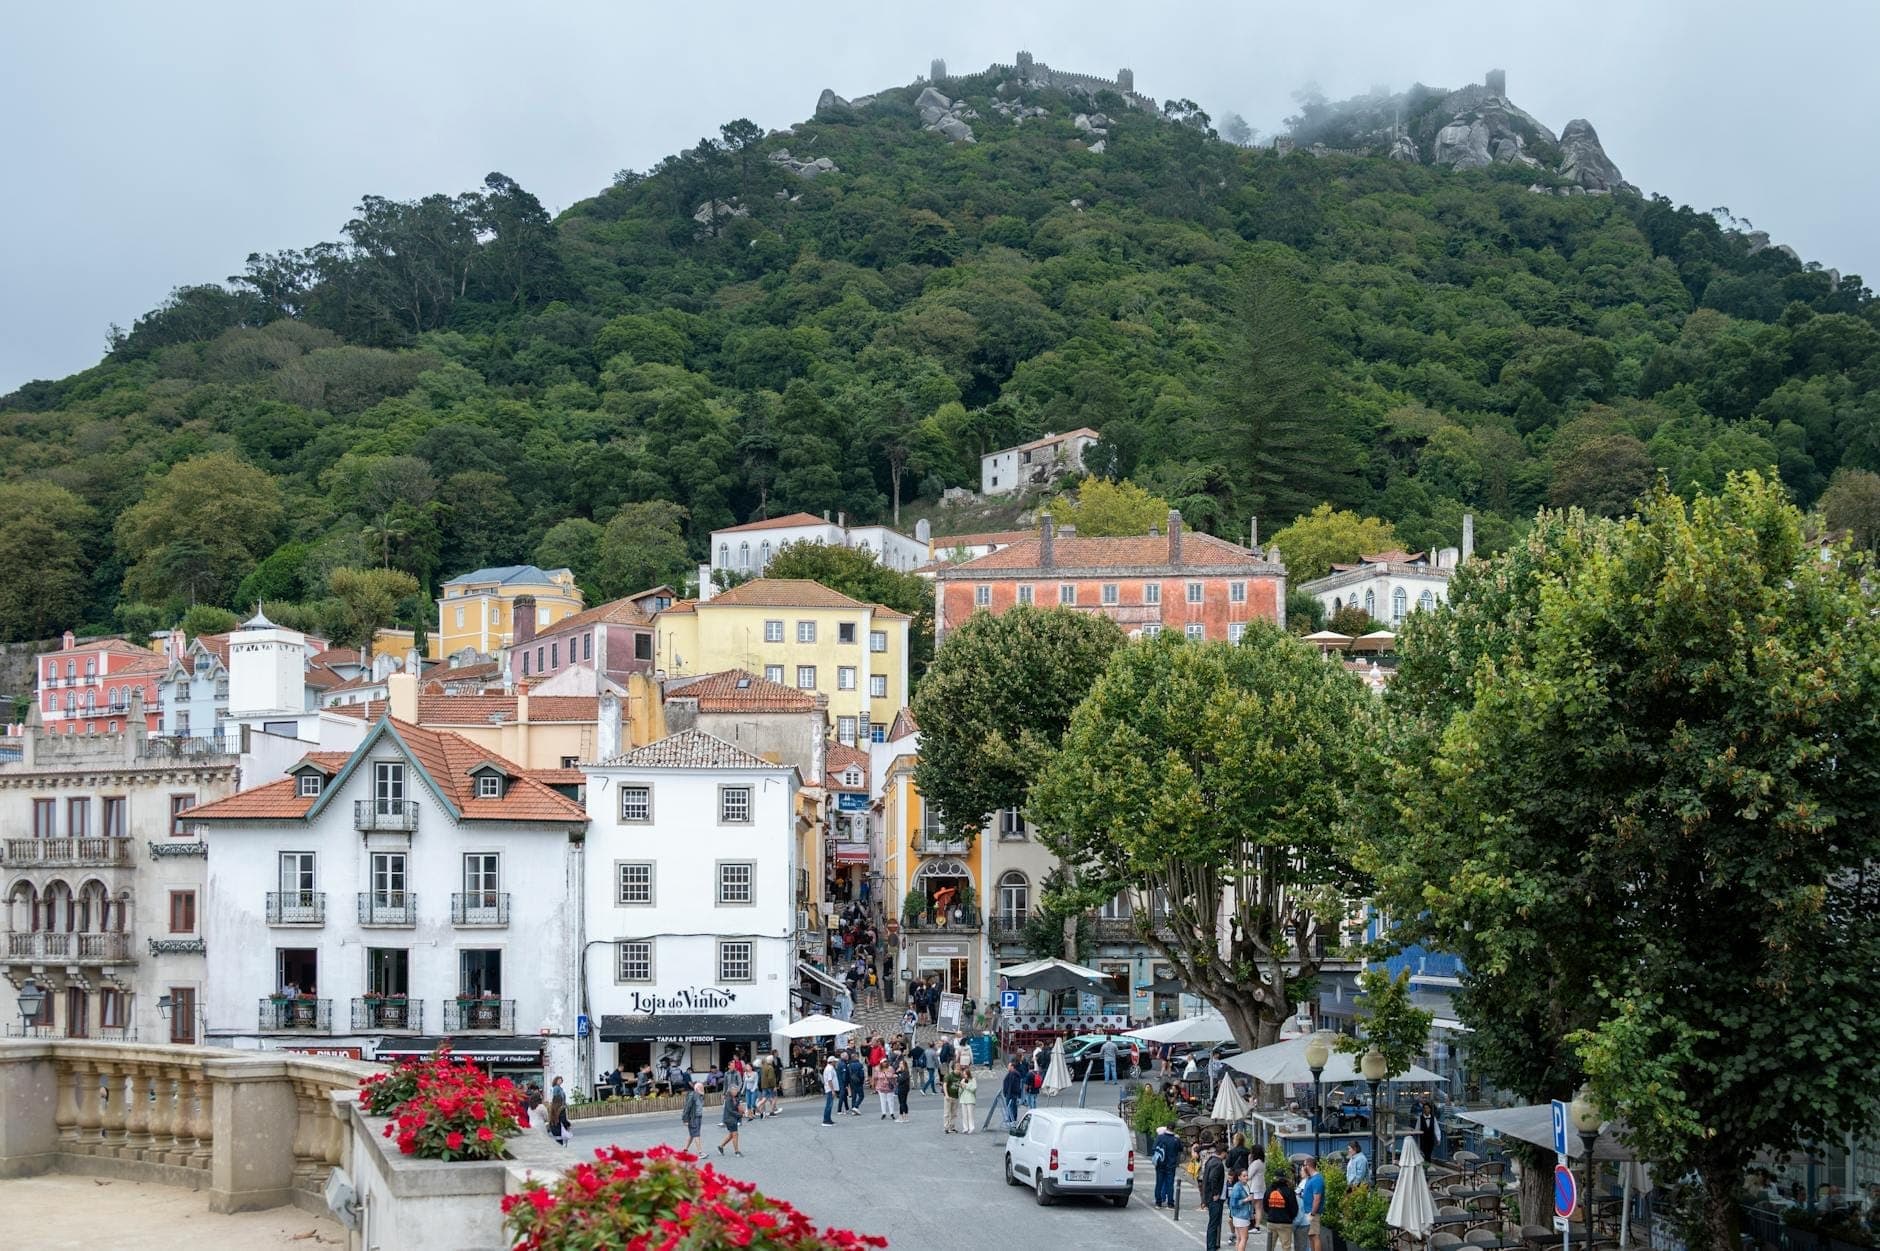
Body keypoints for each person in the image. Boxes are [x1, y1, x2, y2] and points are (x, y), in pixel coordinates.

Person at [1264, 1165, 1299, 1251]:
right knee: (1286, 1247)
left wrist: (1271, 1213)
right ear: (1285, 1179)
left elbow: (1265, 1205)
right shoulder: (1289, 1191)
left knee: (1270, 1247)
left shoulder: (1269, 1190)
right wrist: (1289, 1217)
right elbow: (1294, 1208)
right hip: (1285, 1223)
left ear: (1275, 1178)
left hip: (1271, 1222)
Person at [1201, 1142, 1229, 1251]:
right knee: (1214, 1223)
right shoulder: (1218, 1164)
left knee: (1215, 1222)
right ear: (1223, 1153)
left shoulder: (1210, 1161)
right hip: (1214, 1198)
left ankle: (1214, 1244)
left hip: (1209, 1196)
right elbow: (1213, 1178)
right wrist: (1216, 1193)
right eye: (1226, 1153)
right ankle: (1211, 1246)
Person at [1152, 1123, 1183, 1208]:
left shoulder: (1160, 1137)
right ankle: (1170, 1203)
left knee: (1159, 1183)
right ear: (1174, 1129)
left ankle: (1158, 1202)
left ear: (1166, 1128)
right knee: (1170, 1184)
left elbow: (1154, 1148)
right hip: (1171, 1164)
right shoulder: (1176, 1139)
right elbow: (1181, 1149)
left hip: (1160, 1163)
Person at [1299, 1157, 1325, 1251]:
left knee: (1314, 1236)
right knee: (1310, 1236)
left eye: (1304, 1165)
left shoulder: (1317, 1180)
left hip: (1312, 1212)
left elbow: (1317, 1199)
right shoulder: (1310, 1178)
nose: (1303, 1167)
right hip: (1307, 1211)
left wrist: (1312, 1214)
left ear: (1309, 1166)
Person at [1228, 1165, 1256, 1251]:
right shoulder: (1237, 1187)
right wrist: (1246, 1199)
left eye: (1247, 1175)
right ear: (1239, 1177)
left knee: (1240, 1238)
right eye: (1244, 1176)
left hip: (1242, 1215)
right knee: (1244, 1238)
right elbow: (1233, 1203)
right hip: (1241, 1215)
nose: (1246, 1177)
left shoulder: (1246, 1185)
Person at [717, 1086, 745, 1156]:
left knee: (731, 1135)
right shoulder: (728, 1099)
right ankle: (737, 1151)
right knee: (735, 1134)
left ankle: (721, 1146)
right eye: (734, 1090)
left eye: (736, 1090)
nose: (736, 1092)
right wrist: (740, 1115)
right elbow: (730, 1111)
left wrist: (743, 1112)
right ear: (730, 1091)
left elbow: (738, 1107)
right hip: (729, 1119)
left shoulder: (735, 1098)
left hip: (733, 1119)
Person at [682, 1079, 706, 1152]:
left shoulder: (701, 1096)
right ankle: (700, 1152)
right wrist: (685, 1120)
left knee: (692, 1134)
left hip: (698, 1117)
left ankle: (685, 1149)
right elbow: (687, 1108)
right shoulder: (692, 1096)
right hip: (693, 1118)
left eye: (703, 1088)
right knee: (696, 1134)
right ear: (696, 1089)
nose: (703, 1089)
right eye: (701, 1088)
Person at [547, 1076, 571, 1147]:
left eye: (561, 1080)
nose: (560, 1081)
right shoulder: (556, 1088)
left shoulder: (560, 1088)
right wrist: (568, 1125)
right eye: (559, 1080)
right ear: (556, 1081)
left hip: (555, 1129)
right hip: (559, 1107)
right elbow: (554, 1097)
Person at [1416, 1096, 1440, 1162]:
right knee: (1425, 1153)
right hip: (1423, 1139)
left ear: (1430, 1109)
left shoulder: (1433, 1118)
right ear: (1423, 1110)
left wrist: (1438, 1138)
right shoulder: (1420, 1118)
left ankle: (1427, 1165)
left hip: (1431, 1139)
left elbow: (1436, 1129)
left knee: (1429, 1153)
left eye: (1428, 1108)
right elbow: (1417, 1129)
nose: (1426, 1110)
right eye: (1425, 1108)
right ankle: (1427, 1165)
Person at [1001, 1059, 1023, 1127]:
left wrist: (1008, 1093)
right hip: (1010, 1093)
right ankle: (1011, 1120)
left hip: (1011, 1094)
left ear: (1012, 1067)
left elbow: (1012, 1085)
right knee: (1011, 1107)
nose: (1008, 1067)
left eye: (1009, 1066)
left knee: (1011, 1107)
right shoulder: (1012, 1073)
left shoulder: (1013, 1074)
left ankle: (1012, 1121)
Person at [942, 1061, 962, 1132]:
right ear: (954, 1068)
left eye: (959, 1067)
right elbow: (944, 1085)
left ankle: (952, 1127)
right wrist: (946, 1095)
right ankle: (946, 1127)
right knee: (947, 1113)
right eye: (957, 1067)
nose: (959, 1069)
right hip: (949, 1096)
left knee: (954, 1113)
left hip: (956, 1096)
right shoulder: (949, 1075)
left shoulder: (960, 1076)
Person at [957, 1064, 978, 1134]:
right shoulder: (962, 1080)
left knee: (970, 1114)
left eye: (965, 1074)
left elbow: (973, 1089)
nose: (964, 1076)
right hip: (963, 1099)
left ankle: (971, 1127)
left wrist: (965, 1086)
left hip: (970, 1099)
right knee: (964, 1114)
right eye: (963, 1074)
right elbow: (960, 1092)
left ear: (968, 1074)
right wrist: (961, 1087)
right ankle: (965, 1128)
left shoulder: (973, 1080)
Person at [820, 1055, 839, 1127]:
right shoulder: (830, 1069)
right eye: (835, 1062)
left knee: (829, 1104)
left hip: (829, 1088)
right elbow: (829, 1080)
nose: (835, 1063)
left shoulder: (828, 1068)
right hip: (830, 1089)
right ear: (832, 1062)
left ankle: (828, 1119)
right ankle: (826, 1120)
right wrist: (833, 1090)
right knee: (829, 1105)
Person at [895, 1051, 912, 1120]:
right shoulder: (902, 1071)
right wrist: (897, 1072)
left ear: (904, 1065)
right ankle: (904, 1115)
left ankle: (903, 1116)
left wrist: (897, 1075)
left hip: (903, 1088)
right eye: (900, 1064)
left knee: (902, 1102)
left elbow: (900, 1080)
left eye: (901, 1064)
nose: (900, 1065)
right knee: (903, 1102)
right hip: (903, 1087)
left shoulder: (905, 1072)